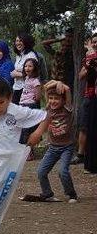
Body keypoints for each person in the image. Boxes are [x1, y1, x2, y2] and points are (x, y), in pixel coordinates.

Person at [21, 80, 78, 203]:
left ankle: (71, 194)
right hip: (53, 148)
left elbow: (67, 90)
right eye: (51, 98)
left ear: (63, 101)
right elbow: (46, 89)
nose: (53, 101)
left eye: (56, 98)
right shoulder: (48, 109)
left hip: (67, 147)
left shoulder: (67, 109)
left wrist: (58, 83)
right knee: (41, 171)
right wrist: (51, 87)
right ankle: (47, 194)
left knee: (63, 171)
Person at [74, 33, 97, 171]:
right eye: (93, 42)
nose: (95, 44)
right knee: (85, 125)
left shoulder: (91, 55)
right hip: (89, 96)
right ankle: (81, 154)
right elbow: (81, 75)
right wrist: (89, 65)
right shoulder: (88, 59)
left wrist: (91, 52)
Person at [19, 58, 42, 149]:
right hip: (22, 105)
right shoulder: (27, 78)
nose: (27, 68)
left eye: (30, 66)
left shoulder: (36, 81)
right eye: (25, 66)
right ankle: (24, 148)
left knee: (28, 128)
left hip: (30, 105)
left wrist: (31, 102)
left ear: (35, 68)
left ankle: (29, 149)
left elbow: (38, 96)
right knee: (22, 128)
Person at [11, 33, 37, 104]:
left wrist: (17, 74)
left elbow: (33, 73)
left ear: (25, 42)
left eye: (20, 41)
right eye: (16, 41)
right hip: (17, 87)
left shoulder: (31, 55)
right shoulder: (18, 55)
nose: (18, 43)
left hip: (27, 89)